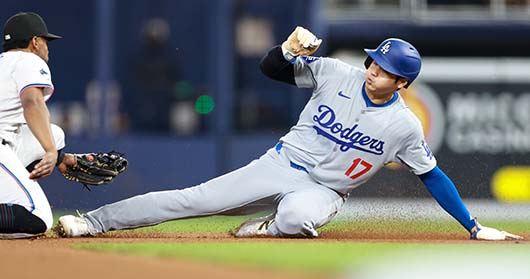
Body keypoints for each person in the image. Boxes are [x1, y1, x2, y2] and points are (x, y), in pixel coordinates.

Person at [57, 26, 522, 241]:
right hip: (279, 163)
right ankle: (94, 222)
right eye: (374, 62)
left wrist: (474, 226)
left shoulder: (404, 125)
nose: (374, 71)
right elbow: (271, 69)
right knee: (191, 200)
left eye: (386, 71)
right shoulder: (338, 72)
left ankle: (268, 228)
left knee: (299, 220)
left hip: (326, 190)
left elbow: (433, 177)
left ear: (403, 84)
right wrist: (285, 49)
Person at [0, 12, 125, 239]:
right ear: (35, 42)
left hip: (6, 144)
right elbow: (32, 101)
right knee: (38, 218)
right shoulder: (29, 60)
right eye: (46, 41)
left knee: (54, 134)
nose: (48, 48)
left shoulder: (5, 63)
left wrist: (60, 157)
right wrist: (49, 151)